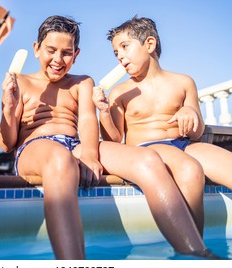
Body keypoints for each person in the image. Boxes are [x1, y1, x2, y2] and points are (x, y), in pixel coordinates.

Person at [0, 15, 217, 260]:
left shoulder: (82, 83)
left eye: (66, 53)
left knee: (148, 159)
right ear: (36, 49)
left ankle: (195, 252)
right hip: (34, 147)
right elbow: (7, 143)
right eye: (51, 50)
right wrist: (8, 107)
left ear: (76, 54)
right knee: (61, 160)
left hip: (76, 145)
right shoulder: (20, 82)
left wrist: (91, 155)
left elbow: (87, 121)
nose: (58, 60)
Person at [94, 15, 232, 239]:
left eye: (124, 47)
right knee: (190, 170)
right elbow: (113, 141)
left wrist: (191, 112)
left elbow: (197, 131)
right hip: (147, 148)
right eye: (116, 52)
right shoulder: (120, 92)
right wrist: (104, 111)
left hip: (185, 143)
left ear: (149, 44)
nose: (120, 56)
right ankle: (192, 246)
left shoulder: (183, 82)